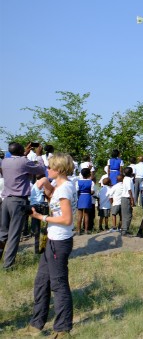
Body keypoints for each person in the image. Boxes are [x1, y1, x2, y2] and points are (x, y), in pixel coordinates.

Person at [24, 153, 76, 337]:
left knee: (58, 284)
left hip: (59, 241)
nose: (47, 169)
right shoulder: (60, 185)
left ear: (59, 169)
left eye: (50, 167)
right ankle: (37, 323)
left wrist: (41, 217)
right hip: (52, 239)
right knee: (41, 282)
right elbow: (53, 198)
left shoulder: (65, 189)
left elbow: (67, 219)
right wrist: (46, 184)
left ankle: (63, 328)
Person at [0, 142, 45, 270]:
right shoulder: (23, 162)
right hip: (19, 201)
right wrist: (38, 155)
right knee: (14, 234)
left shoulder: (5, 161)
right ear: (21, 151)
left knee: (2, 233)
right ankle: (8, 265)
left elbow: (17, 162)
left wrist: (23, 154)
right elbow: (41, 169)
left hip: (6, 200)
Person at [75, 168, 95, 235]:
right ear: (89, 174)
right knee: (86, 215)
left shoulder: (78, 182)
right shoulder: (91, 182)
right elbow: (92, 192)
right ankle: (86, 230)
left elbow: (77, 191)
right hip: (87, 197)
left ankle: (78, 230)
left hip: (80, 197)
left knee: (79, 215)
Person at [120, 168, 135, 236]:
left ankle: (124, 229)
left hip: (124, 198)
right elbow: (129, 190)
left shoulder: (125, 178)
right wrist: (132, 199)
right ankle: (125, 231)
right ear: (131, 172)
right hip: (127, 198)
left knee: (125, 215)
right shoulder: (129, 180)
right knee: (128, 215)